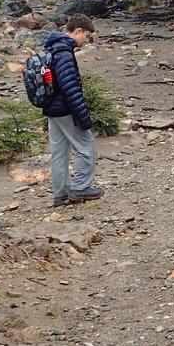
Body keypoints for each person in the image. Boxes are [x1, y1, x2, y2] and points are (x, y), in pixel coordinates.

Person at [43, 14, 100, 206]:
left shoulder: (52, 48)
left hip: (51, 108)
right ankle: (80, 188)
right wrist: (83, 116)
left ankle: (60, 193)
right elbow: (70, 88)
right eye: (86, 36)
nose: (86, 41)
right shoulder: (65, 53)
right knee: (86, 145)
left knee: (59, 152)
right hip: (65, 109)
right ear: (78, 31)